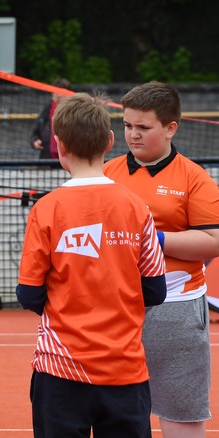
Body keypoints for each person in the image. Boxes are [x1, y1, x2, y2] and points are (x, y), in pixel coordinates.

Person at [17, 92, 167, 437]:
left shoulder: (47, 208)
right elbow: (155, 289)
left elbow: (28, 293)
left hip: (60, 370)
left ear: (59, 144)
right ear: (111, 141)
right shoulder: (136, 207)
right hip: (124, 369)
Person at [104, 81, 219, 438]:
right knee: (113, 411)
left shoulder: (194, 178)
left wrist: (154, 238)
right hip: (114, 306)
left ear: (171, 128)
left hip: (176, 306)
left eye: (143, 127)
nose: (132, 135)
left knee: (180, 411)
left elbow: (214, 241)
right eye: (127, 126)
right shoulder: (106, 173)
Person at [30, 78, 70, 159]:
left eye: (62, 92)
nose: (59, 95)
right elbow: (35, 133)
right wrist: (35, 141)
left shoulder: (75, 112)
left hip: (68, 160)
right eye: (57, 91)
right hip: (47, 159)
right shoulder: (45, 112)